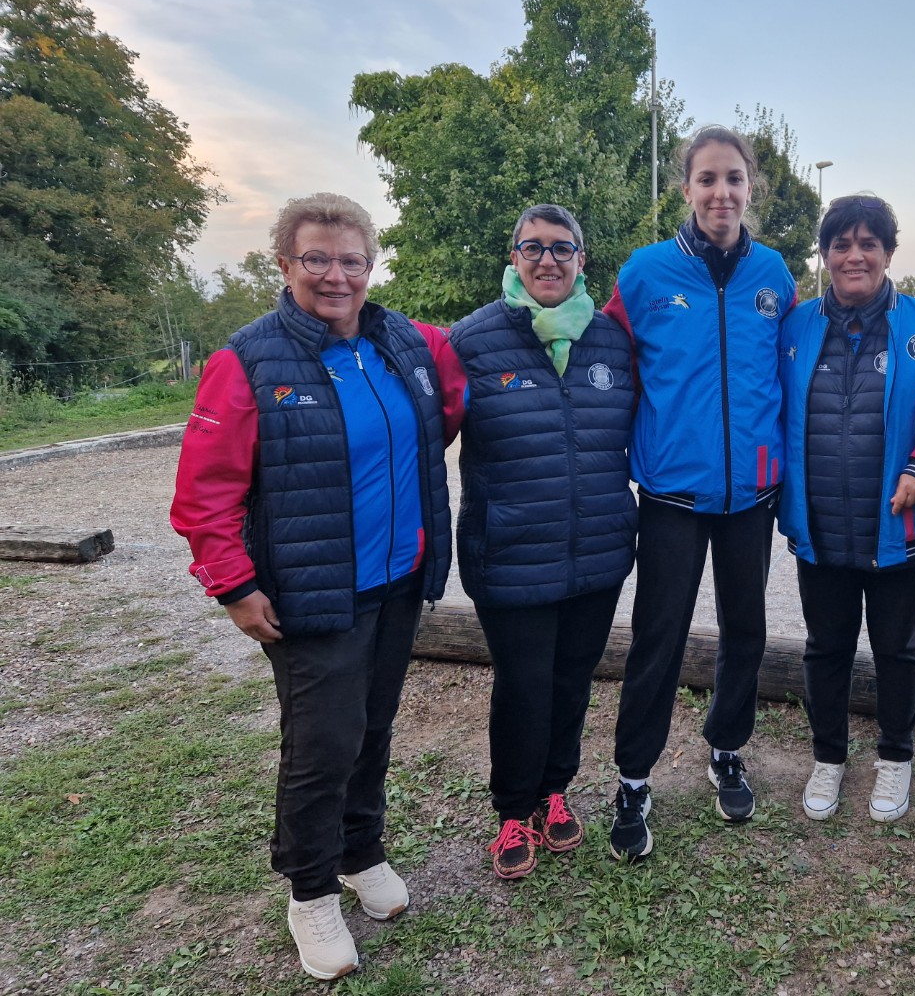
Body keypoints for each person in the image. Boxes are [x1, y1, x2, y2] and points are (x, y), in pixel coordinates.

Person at [170, 193, 466, 981]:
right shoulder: (250, 360)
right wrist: (232, 583)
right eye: (317, 259)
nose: (336, 276)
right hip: (313, 590)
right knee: (321, 744)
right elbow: (204, 491)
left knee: (373, 726)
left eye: (351, 260)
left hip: (398, 582)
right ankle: (309, 892)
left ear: (371, 265)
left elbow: (449, 408)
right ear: (285, 263)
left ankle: (361, 852)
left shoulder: (401, 339)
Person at [602, 125, 796, 860]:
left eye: (735, 179)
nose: (722, 192)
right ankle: (633, 778)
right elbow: (604, 354)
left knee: (746, 632)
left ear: (751, 188)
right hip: (672, 499)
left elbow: (792, 365)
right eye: (708, 178)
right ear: (686, 188)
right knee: (659, 639)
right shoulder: (646, 274)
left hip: (750, 497)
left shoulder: (775, 275)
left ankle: (726, 748)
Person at [448, 204, 637, 880]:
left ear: (583, 260)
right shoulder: (471, 341)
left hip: (597, 551)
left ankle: (555, 792)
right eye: (533, 247)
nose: (548, 260)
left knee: (570, 682)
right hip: (510, 555)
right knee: (523, 686)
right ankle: (510, 809)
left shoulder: (613, 342)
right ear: (514, 257)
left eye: (563, 248)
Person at [777, 194, 915, 823]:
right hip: (818, 525)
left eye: (868, 244)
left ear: (888, 252)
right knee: (826, 648)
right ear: (824, 255)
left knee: (898, 649)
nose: (854, 255)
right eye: (841, 245)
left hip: (900, 526)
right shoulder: (794, 326)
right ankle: (829, 757)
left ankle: (895, 758)